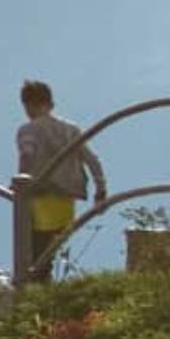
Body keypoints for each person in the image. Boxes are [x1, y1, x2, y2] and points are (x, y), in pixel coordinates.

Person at [12, 80, 101, 290]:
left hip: (40, 195)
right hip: (66, 198)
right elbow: (92, 159)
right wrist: (101, 188)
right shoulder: (71, 130)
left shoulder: (28, 129)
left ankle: (32, 294)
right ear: (51, 104)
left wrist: (20, 182)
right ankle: (43, 291)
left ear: (28, 105)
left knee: (34, 254)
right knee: (49, 253)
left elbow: (27, 154)